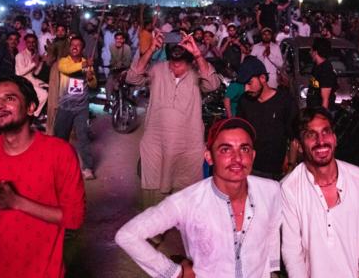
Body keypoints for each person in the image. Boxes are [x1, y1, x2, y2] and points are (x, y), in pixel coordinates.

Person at [115, 117, 281, 277]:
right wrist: (174, 272)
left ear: (252, 155)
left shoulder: (270, 190)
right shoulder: (187, 201)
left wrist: (271, 268)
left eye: (244, 149)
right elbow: (128, 235)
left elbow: (273, 227)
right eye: (225, 149)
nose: (237, 158)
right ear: (209, 157)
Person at [0, 75, 85, 278]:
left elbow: (74, 219)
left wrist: (15, 202)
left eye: (10, 98)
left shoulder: (59, 153)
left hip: (46, 272)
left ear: (30, 108)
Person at [125, 31, 221, 207]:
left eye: (180, 65)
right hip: (157, 141)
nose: (175, 68)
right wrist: (151, 50)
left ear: (189, 62)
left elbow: (213, 84)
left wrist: (198, 54)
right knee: (154, 187)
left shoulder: (195, 72)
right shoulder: (158, 70)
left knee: (185, 187)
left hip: (187, 143)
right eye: (173, 64)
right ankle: (155, 230)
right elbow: (132, 77)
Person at [281, 107, 359, 277]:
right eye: (311, 135)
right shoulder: (289, 188)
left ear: (334, 138)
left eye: (326, 132)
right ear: (299, 146)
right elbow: (293, 256)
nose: (321, 141)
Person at [237, 56, 298, 180]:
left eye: (249, 83)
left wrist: (291, 168)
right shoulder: (244, 102)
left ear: (263, 78)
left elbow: (293, 139)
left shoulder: (285, 101)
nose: (246, 89)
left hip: (278, 173)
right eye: (244, 85)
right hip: (251, 171)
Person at [54, 36, 97, 180]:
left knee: (83, 138)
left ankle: (88, 168)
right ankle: (57, 166)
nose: (75, 47)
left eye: (78, 45)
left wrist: (90, 77)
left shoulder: (87, 62)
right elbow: (66, 69)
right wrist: (84, 66)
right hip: (65, 107)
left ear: (82, 48)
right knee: (60, 140)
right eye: (73, 44)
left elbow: (93, 85)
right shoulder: (64, 61)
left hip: (81, 108)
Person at [15, 33, 47, 117]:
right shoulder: (20, 55)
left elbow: (35, 73)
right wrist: (34, 63)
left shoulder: (33, 55)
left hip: (31, 80)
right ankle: (34, 115)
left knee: (49, 87)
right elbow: (20, 73)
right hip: (23, 83)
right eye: (29, 42)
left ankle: (38, 114)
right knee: (44, 94)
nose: (31, 44)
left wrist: (41, 62)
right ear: (25, 43)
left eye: (33, 42)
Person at [45, 24, 69, 134]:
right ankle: (51, 129)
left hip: (67, 71)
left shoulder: (70, 43)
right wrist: (51, 51)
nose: (60, 32)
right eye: (58, 30)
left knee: (66, 98)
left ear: (66, 31)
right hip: (55, 72)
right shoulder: (52, 43)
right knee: (54, 100)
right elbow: (48, 62)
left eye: (62, 30)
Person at [307, 38, 337, 110]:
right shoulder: (316, 67)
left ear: (315, 52)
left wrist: (322, 117)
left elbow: (325, 99)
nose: (309, 52)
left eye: (311, 50)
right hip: (313, 108)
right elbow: (316, 85)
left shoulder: (326, 70)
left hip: (320, 111)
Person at [105, 32, 132, 111]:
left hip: (124, 70)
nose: (118, 40)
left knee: (121, 84)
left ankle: (127, 101)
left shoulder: (127, 48)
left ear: (123, 40)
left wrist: (120, 65)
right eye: (117, 39)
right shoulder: (111, 47)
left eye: (120, 39)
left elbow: (127, 63)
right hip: (114, 70)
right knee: (108, 84)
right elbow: (112, 60)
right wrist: (113, 66)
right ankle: (108, 102)